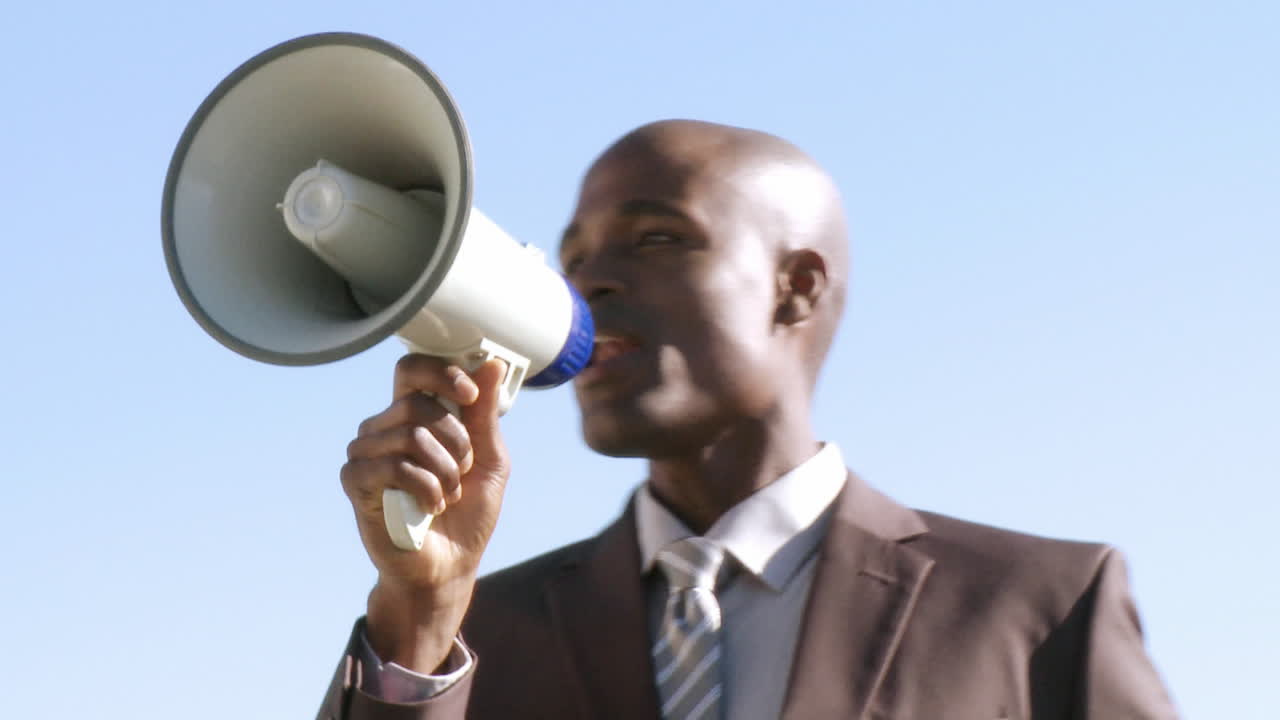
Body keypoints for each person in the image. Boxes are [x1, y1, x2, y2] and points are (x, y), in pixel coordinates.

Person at [316, 120, 1178, 719]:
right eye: (572, 259)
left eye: (656, 239)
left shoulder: (1042, 609)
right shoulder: (466, 639)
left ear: (795, 288)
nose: (587, 285)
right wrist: (419, 615)